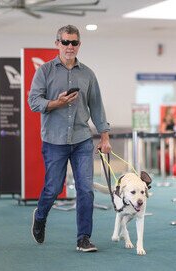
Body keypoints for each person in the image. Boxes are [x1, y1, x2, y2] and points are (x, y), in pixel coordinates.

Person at [28, 25, 111, 252]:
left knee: (86, 189)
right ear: (57, 44)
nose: (70, 47)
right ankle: (41, 215)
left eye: (74, 42)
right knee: (53, 188)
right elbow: (34, 102)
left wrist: (104, 137)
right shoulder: (44, 71)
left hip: (82, 138)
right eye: (65, 42)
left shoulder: (88, 74)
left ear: (79, 45)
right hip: (54, 140)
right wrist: (57, 103)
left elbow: (97, 107)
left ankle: (83, 238)